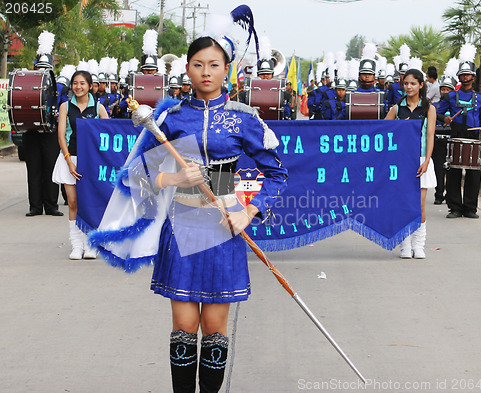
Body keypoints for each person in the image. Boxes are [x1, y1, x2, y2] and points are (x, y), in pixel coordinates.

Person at [90, 31, 287, 392]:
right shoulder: (171, 118)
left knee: (214, 331)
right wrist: (174, 176)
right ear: (187, 69)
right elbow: (137, 174)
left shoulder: (245, 119)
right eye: (198, 65)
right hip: (181, 228)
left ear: (227, 70)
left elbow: (277, 174)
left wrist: (248, 211)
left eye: (214, 65)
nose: (206, 72)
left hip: (224, 230)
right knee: (183, 330)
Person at [52, 70, 109, 259]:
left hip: (91, 162)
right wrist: (69, 161)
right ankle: (76, 246)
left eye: (82, 83)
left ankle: (90, 245)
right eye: (75, 83)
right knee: (74, 202)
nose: (78, 87)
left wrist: (93, 127)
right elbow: (61, 136)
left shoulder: (99, 108)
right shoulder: (65, 106)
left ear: (90, 86)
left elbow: (107, 135)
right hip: (71, 158)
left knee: (89, 203)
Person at [385, 69, 436, 259]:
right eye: (406, 83)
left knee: (419, 206)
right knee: (402, 205)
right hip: (400, 162)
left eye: (413, 83)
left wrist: (427, 160)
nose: (409, 87)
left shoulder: (429, 109)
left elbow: (430, 135)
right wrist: (399, 127)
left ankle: (419, 244)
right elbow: (383, 132)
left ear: (421, 85)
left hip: (421, 160)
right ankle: (405, 245)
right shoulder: (397, 109)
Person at [436, 53, 481, 219]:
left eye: (468, 75)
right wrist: (445, 118)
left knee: (474, 172)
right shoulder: (450, 96)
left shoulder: (480, 99)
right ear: (459, 77)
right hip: (455, 133)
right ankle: (455, 208)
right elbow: (438, 112)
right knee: (453, 171)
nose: (465, 77)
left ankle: (470, 208)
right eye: (463, 75)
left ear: (473, 77)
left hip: (473, 135)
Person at [24, 31, 64, 217]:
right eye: (40, 67)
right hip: (32, 130)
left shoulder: (58, 86)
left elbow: (63, 103)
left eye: (46, 68)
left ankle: (51, 205)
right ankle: (35, 206)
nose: (43, 71)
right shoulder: (26, 84)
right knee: (34, 168)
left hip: (50, 131)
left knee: (50, 167)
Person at [432, 75, 456, 205]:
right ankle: (439, 194)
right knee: (438, 168)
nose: (444, 92)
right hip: (438, 139)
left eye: (448, 90)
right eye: (443, 89)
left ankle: (450, 195)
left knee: (451, 169)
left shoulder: (455, 106)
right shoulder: (434, 106)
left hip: (452, 139)